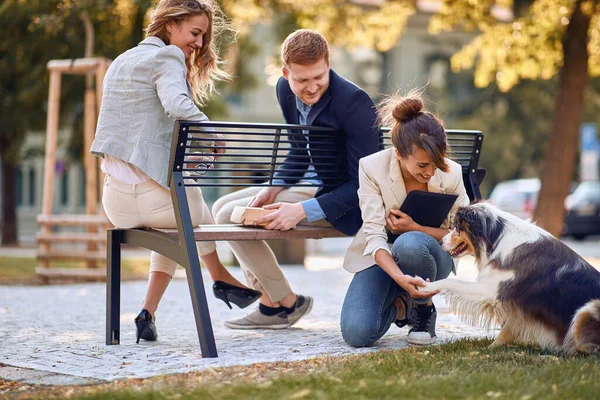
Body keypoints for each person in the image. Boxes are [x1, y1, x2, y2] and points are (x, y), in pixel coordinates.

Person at [90, 0, 261, 344]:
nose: (198, 43)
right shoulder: (166, 57)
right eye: (195, 33)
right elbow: (178, 105)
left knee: (175, 215)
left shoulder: (121, 61)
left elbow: (141, 133)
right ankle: (219, 276)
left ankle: (147, 312)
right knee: (191, 209)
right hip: (155, 201)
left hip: (115, 203)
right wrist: (213, 138)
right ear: (170, 24)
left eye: (202, 36)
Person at [212, 29, 381, 330]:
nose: (312, 87)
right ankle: (275, 302)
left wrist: (301, 211)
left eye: (319, 77)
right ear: (286, 72)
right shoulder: (284, 91)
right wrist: (274, 186)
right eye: (302, 80)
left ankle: (282, 304)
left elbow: (364, 186)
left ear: (328, 65)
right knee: (222, 207)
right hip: (312, 187)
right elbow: (299, 151)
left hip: (344, 203)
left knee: (229, 216)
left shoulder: (354, 103)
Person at [340, 91, 470, 347]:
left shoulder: (452, 172)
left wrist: (415, 227)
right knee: (357, 334)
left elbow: (464, 234)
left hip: (433, 256)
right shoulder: (371, 167)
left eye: (437, 163)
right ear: (399, 154)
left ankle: (423, 309)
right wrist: (400, 279)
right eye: (422, 166)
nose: (431, 172)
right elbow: (375, 237)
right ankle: (403, 306)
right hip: (382, 256)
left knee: (410, 242)